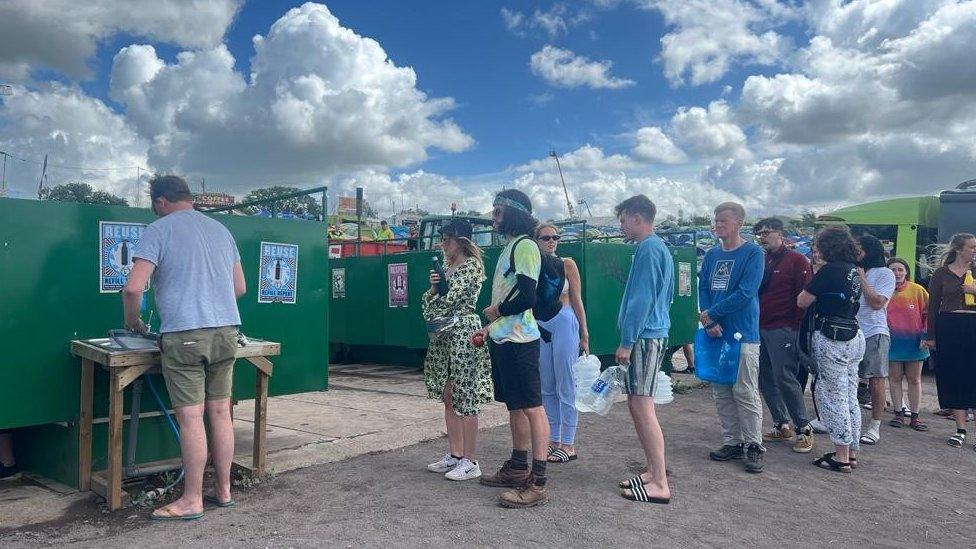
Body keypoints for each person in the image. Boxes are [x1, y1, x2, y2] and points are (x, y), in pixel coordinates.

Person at [124, 175, 246, 520]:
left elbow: (133, 288)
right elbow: (239, 287)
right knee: (221, 412)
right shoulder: (221, 231)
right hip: (226, 329)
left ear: (161, 202)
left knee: (191, 417)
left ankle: (192, 499)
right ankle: (223, 490)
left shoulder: (159, 230)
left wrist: (134, 323)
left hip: (185, 334)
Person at [476, 189, 550, 509]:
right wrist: (490, 327)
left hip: (521, 340)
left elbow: (528, 297)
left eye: (497, 212)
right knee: (515, 406)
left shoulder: (526, 246)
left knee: (532, 407)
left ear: (513, 212)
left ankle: (538, 482)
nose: (493, 217)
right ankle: (518, 468)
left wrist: (496, 312)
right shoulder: (510, 246)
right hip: (505, 338)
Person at [422, 219, 494, 481]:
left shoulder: (471, 266)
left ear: (461, 240)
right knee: (448, 393)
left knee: (466, 394)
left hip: (463, 331)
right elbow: (428, 303)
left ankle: (470, 459)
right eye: (442, 239)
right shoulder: (447, 267)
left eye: (447, 239)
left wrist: (436, 292)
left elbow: (449, 302)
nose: (443, 244)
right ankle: (455, 453)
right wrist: (433, 288)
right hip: (445, 334)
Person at [613, 195, 674, 504]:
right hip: (651, 334)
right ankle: (652, 471)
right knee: (639, 404)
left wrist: (627, 340)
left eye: (623, 220)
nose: (621, 225)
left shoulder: (649, 249)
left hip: (645, 337)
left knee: (642, 405)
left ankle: (660, 482)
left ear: (637, 218)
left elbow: (642, 299)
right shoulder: (655, 248)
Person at [699, 202, 766, 473]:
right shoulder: (712, 255)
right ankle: (732, 441)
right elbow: (703, 287)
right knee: (721, 391)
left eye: (723, 220)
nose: (717, 225)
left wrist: (711, 314)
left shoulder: (753, 253)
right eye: (715, 220)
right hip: (716, 333)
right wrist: (709, 320)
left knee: (745, 390)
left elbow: (746, 292)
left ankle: (753, 445)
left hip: (743, 334)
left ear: (739, 222)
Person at [797, 226, 865, 473]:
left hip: (831, 337)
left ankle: (841, 456)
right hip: (854, 334)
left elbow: (802, 301)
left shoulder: (829, 271)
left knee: (832, 396)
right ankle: (852, 452)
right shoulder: (854, 271)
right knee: (849, 396)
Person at [753, 218, 815, 453]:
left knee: (785, 377)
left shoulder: (797, 260)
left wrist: (795, 327)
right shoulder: (761, 259)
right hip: (760, 326)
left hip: (784, 328)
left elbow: (805, 296)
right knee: (765, 378)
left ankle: (803, 428)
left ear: (781, 234)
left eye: (767, 232)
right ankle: (781, 424)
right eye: (759, 233)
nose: (762, 237)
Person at [534, 223, 589, 464]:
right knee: (546, 384)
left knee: (566, 383)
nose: (551, 241)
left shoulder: (567, 264)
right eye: (546, 237)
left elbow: (577, 299)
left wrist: (584, 334)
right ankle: (553, 439)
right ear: (536, 240)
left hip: (565, 321)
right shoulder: (532, 265)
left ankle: (568, 443)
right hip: (540, 324)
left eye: (555, 237)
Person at [923, 233, 976, 449]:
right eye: (972, 247)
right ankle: (960, 429)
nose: (974, 250)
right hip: (950, 326)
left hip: (973, 325)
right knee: (954, 375)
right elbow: (933, 306)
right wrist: (931, 336)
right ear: (958, 249)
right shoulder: (941, 274)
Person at [855, 235, 895, 446]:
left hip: (874, 332)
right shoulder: (853, 269)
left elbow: (878, 302)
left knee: (876, 381)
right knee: (849, 380)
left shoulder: (885, 273)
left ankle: (874, 426)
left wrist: (862, 278)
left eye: (859, 249)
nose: (857, 254)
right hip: (852, 332)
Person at [885, 257, 929, 431]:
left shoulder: (918, 290)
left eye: (900, 270)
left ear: (906, 272)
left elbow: (929, 314)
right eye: (893, 270)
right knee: (894, 379)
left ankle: (915, 416)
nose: (896, 273)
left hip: (915, 343)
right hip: (892, 343)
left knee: (914, 380)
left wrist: (927, 335)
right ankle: (898, 413)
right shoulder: (884, 292)